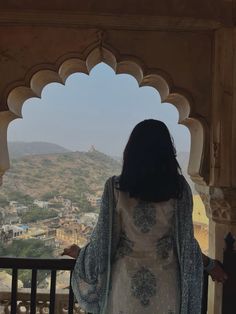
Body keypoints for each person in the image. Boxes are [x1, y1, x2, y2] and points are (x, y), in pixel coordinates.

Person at [62, 119, 227, 314]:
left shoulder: (115, 189)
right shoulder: (178, 189)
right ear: (167, 152)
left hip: (124, 288)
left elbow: (103, 243)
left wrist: (82, 255)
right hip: (166, 289)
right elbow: (185, 245)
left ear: (131, 152)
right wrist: (209, 265)